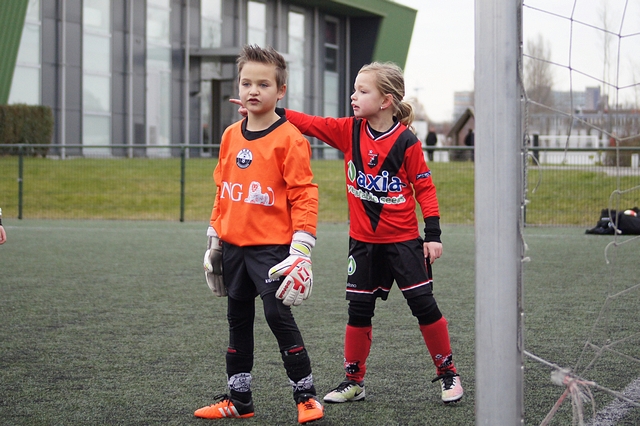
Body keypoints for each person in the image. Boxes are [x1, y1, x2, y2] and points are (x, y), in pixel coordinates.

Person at [235, 61, 463, 405]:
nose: (353, 96)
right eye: (355, 89)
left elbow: (425, 189)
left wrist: (433, 235)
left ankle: (448, 373)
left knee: (423, 306)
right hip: (362, 244)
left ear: (385, 100)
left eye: (362, 91)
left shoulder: (407, 142)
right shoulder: (349, 131)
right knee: (358, 311)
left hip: (403, 243)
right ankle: (354, 381)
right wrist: (269, 110)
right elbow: (311, 124)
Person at [194, 45, 324, 424]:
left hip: (272, 250)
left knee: (277, 315)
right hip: (234, 247)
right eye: (246, 83)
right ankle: (239, 400)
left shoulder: (290, 138)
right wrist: (215, 238)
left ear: (280, 91)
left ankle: (306, 397)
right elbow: (223, 189)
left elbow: (304, 194)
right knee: (237, 319)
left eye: (263, 84)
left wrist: (302, 248)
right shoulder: (230, 135)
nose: (253, 90)